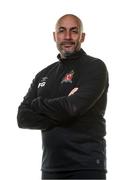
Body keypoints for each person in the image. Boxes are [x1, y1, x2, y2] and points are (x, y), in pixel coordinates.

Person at [17, 14, 109, 179]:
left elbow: (72, 108)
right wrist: (64, 110)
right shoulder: (43, 75)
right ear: (54, 36)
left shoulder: (95, 67)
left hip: (86, 168)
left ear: (82, 36)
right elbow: (22, 118)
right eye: (62, 31)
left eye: (74, 31)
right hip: (50, 169)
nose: (67, 37)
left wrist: (37, 105)